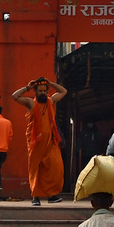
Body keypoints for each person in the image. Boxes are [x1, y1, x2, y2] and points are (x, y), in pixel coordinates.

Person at [13, 76, 68, 205]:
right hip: (35, 144)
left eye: (44, 91)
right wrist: (27, 87)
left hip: (50, 143)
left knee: (55, 168)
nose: (42, 93)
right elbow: (14, 96)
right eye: (40, 91)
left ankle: (51, 195)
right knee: (36, 171)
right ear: (35, 91)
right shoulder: (31, 103)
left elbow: (63, 91)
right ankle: (35, 197)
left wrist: (51, 83)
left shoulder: (50, 101)